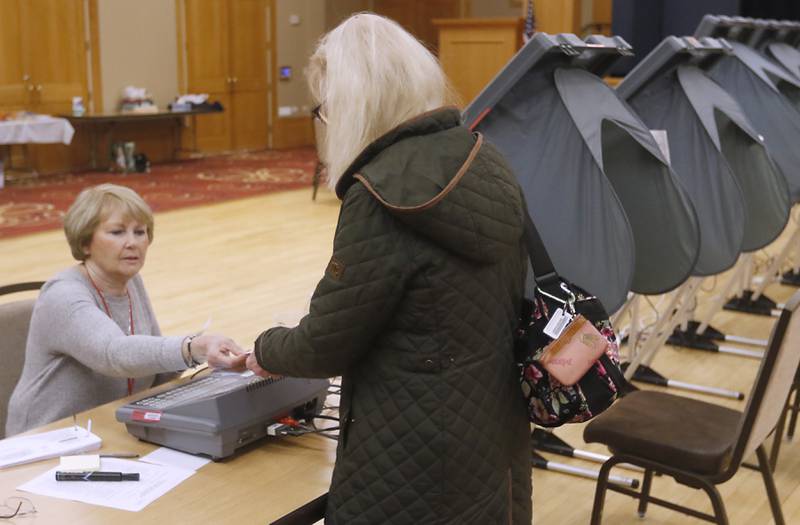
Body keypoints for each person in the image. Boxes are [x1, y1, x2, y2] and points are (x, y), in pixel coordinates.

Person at [247, 13, 532, 524]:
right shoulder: (484, 158)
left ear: (355, 102)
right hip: (489, 427)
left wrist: (264, 349)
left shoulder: (382, 194)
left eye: (326, 106)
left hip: (411, 451)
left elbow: (326, 341)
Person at [6, 184, 246, 436]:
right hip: (42, 441)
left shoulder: (131, 283)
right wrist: (192, 347)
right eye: (118, 232)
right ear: (85, 242)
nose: (133, 243)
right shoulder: (62, 296)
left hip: (106, 428)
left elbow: (155, 372)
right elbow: (114, 354)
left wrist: (211, 362)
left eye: (140, 232)